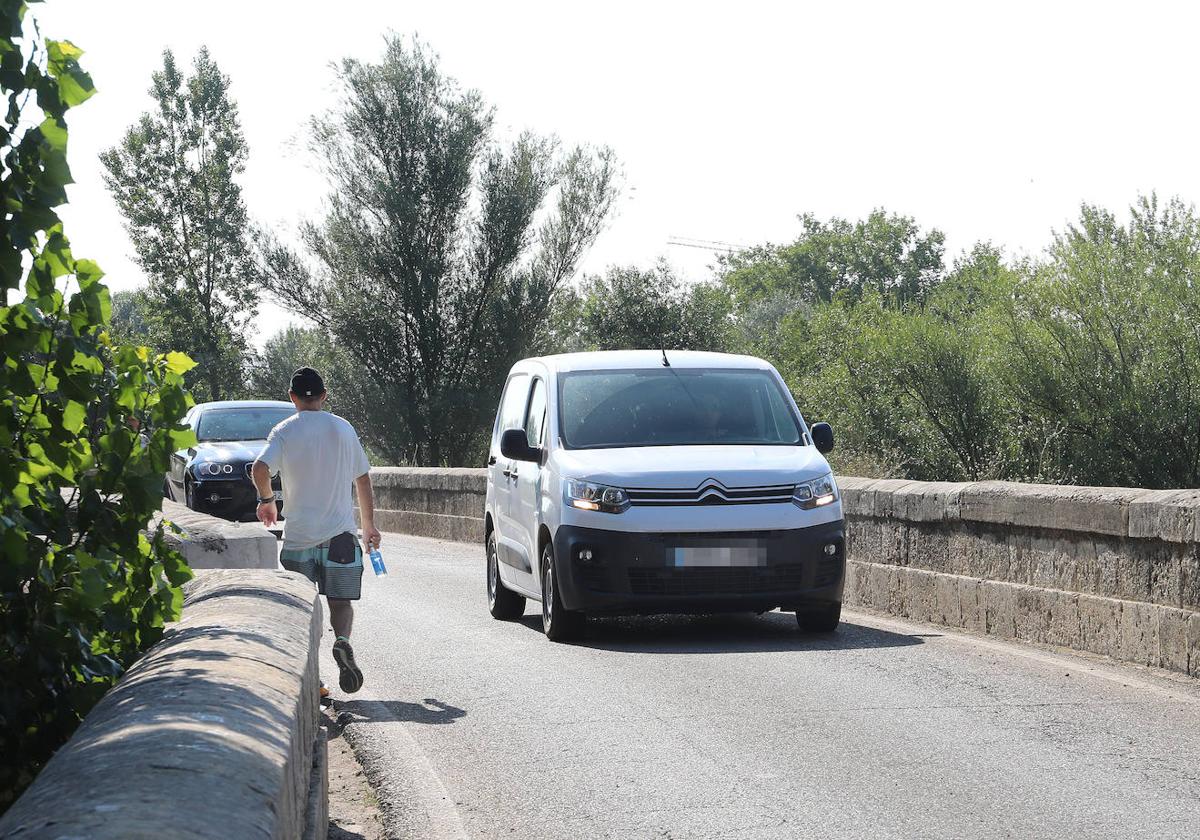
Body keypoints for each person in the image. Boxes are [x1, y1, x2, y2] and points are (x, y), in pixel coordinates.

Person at [251, 367, 381, 695]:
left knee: (305, 611)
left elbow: (260, 468)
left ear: (292, 398)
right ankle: (342, 641)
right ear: (323, 396)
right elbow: (362, 478)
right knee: (340, 602)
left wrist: (268, 501)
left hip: (298, 539)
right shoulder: (343, 428)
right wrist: (368, 527)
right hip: (340, 535)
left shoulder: (283, 431)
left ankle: (316, 680)